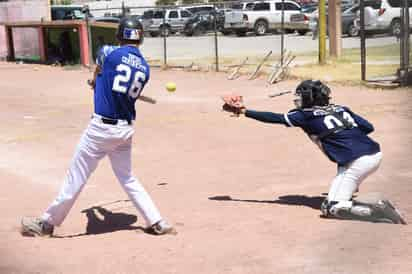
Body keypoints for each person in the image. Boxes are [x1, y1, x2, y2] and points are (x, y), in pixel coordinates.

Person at [21, 17, 176, 237]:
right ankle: (157, 221)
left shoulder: (109, 52)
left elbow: (99, 66)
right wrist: (99, 83)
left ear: (119, 35)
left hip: (101, 130)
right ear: (141, 38)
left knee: (77, 175)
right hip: (125, 130)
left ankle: (46, 223)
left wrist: (95, 81)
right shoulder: (145, 67)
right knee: (128, 177)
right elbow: (112, 80)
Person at [221, 80, 406, 224]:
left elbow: (275, 118)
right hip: (372, 153)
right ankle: (366, 199)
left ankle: (376, 209)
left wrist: (244, 111)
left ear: (310, 98)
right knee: (342, 188)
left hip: (358, 162)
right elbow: (368, 127)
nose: (298, 98)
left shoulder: (305, 115)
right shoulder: (341, 108)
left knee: (332, 208)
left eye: (301, 95)